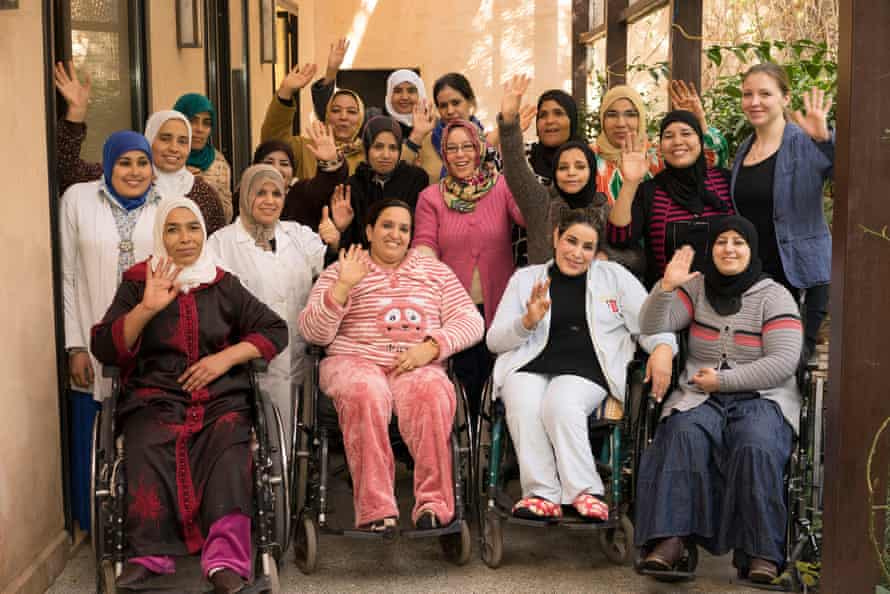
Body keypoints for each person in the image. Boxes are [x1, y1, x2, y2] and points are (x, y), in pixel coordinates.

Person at [90, 198, 288, 592]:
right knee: (146, 443)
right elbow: (104, 348)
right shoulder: (138, 282)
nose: (185, 239)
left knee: (230, 449)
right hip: (155, 396)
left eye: (193, 228)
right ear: (159, 235)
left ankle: (225, 563)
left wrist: (226, 358)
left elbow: (274, 329)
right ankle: (148, 556)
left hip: (219, 397)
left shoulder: (221, 283)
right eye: (173, 229)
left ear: (203, 232)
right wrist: (146, 309)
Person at [635, 216, 803, 585]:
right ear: (710, 250)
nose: (729, 248)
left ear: (751, 250)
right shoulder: (696, 289)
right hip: (701, 395)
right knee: (683, 433)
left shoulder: (774, 296)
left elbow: (782, 363)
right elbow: (649, 324)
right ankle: (671, 540)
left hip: (763, 396)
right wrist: (665, 287)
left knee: (755, 444)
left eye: (738, 242)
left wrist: (723, 381)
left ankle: (761, 551)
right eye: (721, 241)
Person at [299, 199, 484, 532]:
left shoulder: (434, 271)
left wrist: (432, 347)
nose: (395, 235)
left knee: (431, 393)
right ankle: (376, 508)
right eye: (387, 225)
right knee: (364, 391)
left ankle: (434, 505)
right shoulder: (344, 268)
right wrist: (342, 287)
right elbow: (313, 332)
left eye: (404, 228)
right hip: (353, 361)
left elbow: (471, 320)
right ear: (369, 231)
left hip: (415, 363)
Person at [487, 211, 676, 521]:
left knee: (560, 404)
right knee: (521, 402)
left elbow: (650, 322)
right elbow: (495, 341)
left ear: (596, 251)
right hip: (529, 364)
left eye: (587, 247)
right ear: (556, 237)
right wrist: (527, 322)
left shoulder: (613, 277)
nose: (577, 253)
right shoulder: (525, 279)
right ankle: (540, 494)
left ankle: (584, 490)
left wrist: (664, 347)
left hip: (586, 367)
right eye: (571, 241)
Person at [61, 130, 162, 535]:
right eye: (124, 162)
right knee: (94, 434)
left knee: (146, 434)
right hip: (92, 335)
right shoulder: (79, 200)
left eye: (142, 162)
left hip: (151, 341)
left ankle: (145, 525)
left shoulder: (164, 205)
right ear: (107, 164)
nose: (135, 172)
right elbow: (66, 276)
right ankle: (99, 526)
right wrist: (74, 346)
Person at [207, 165, 341, 443]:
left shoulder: (298, 235)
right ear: (244, 195)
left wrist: (336, 239)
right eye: (261, 193)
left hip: (299, 357)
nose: (270, 200)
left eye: (277, 193)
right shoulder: (221, 243)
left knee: (298, 442)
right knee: (262, 446)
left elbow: (332, 269)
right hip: (250, 365)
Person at [413, 119, 525, 417]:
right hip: (454, 310)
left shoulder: (501, 187)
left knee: (499, 381)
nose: (460, 154)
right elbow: (424, 242)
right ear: (443, 154)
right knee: (465, 382)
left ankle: (496, 449)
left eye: (467, 147)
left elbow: (528, 216)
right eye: (452, 148)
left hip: (501, 306)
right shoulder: (431, 198)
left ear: (479, 150)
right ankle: (468, 446)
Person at [731, 63, 833, 359]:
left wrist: (825, 141)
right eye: (747, 94)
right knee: (755, 363)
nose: (755, 102)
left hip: (801, 279)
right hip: (756, 281)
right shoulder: (743, 149)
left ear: (785, 98)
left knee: (791, 364)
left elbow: (849, 173)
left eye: (765, 93)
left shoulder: (805, 140)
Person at [54, 62, 225, 233]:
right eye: (165, 138)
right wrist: (76, 114)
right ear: (149, 141)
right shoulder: (123, 177)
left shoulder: (203, 194)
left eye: (182, 141)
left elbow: (214, 248)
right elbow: (66, 173)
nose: (174, 148)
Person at [497, 75, 640, 272]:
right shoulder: (541, 205)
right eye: (563, 168)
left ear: (592, 171)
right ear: (554, 174)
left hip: (593, 300)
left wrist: (607, 256)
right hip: (545, 299)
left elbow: (637, 258)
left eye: (580, 167)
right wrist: (509, 121)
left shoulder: (603, 208)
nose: (571, 173)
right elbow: (516, 170)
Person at [608, 110, 735, 288]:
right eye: (668, 136)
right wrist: (630, 182)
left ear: (699, 140)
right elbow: (618, 238)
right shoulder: (650, 191)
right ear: (660, 146)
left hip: (727, 296)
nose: (677, 141)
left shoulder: (725, 180)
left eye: (686, 133)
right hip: (669, 301)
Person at [592, 81, 729, 204]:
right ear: (602, 119)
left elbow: (712, 159)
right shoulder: (587, 159)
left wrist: (699, 122)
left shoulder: (658, 157)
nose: (621, 123)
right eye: (612, 115)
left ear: (641, 119)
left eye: (631, 114)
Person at [261, 62, 366, 180]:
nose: (343, 117)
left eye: (351, 112)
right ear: (327, 116)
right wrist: (285, 92)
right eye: (336, 110)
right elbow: (272, 143)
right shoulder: (306, 149)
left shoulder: (369, 155)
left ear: (361, 118)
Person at [339, 115, 430, 247]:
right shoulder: (353, 187)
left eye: (393, 148)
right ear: (366, 149)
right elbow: (349, 243)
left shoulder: (415, 180)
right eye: (378, 147)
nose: (386, 155)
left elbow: (419, 232)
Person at [240, 121, 349, 228]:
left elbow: (324, 186)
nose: (277, 169)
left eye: (284, 164)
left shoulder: (301, 193)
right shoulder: (243, 195)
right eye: (269, 162)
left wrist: (330, 161)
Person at [402, 72, 496, 182]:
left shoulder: (488, 141)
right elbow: (394, 174)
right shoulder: (425, 142)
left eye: (456, 103)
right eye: (443, 106)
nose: (450, 111)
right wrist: (417, 135)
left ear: (470, 102)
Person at [173, 92, 234, 222]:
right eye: (193, 121)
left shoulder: (218, 163)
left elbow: (227, 216)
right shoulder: (166, 158)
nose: (200, 129)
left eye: (206, 123)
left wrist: (205, 190)